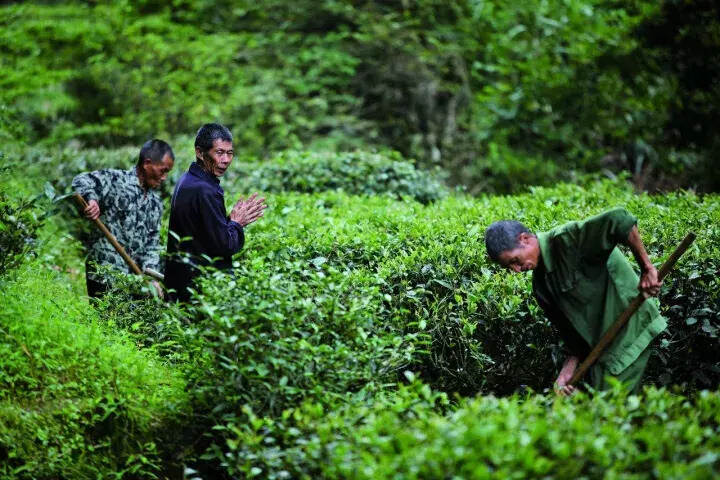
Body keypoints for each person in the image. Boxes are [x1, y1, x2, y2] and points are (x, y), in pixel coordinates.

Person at [484, 207, 665, 395]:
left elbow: (619, 219)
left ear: (525, 239)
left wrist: (647, 269)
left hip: (630, 330)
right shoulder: (541, 286)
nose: (516, 270)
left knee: (608, 412)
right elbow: (571, 334)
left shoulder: (568, 240)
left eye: (515, 260)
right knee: (589, 410)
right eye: (509, 267)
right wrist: (567, 371)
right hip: (601, 349)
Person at [165, 123, 267, 302]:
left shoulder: (188, 179)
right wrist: (236, 223)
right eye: (219, 152)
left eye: (230, 153)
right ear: (200, 152)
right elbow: (224, 245)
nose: (226, 160)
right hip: (200, 290)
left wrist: (231, 221)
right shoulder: (204, 190)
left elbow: (204, 233)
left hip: (183, 284)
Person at [72, 139, 175, 298]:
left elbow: (152, 244)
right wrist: (92, 200)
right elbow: (81, 180)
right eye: (163, 170)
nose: (164, 177)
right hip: (103, 273)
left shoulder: (156, 204)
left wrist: (152, 277)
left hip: (132, 279)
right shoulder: (115, 180)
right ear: (147, 164)